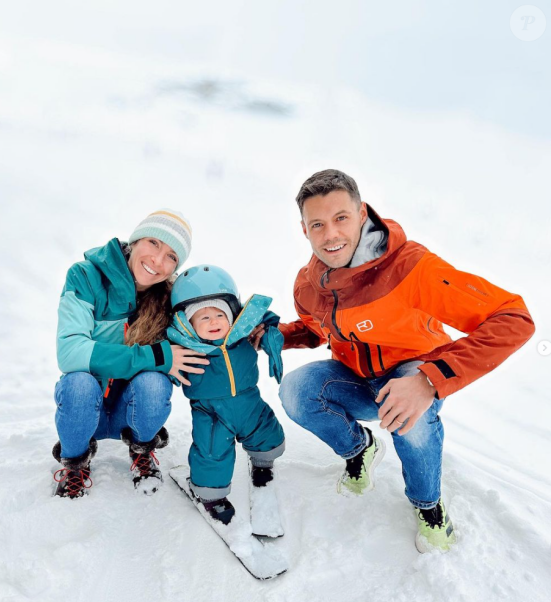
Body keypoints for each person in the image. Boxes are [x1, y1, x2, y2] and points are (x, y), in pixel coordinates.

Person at [277, 169, 535, 552]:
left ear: (362, 213)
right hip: (357, 378)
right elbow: (318, 330)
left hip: (414, 374)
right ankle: (359, 450)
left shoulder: (411, 268)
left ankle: (428, 506)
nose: (330, 234)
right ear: (304, 230)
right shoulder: (309, 283)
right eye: (318, 224)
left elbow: (513, 319)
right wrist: (275, 335)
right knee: (295, 390)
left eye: (341, 218)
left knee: (410, 422)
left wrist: (429, 381)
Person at [52, 209, 209, 498]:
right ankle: (75, 464)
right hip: (88, 405)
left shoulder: (169, 298)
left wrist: (254, 330)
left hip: (131, 410)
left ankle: (141, 451)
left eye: (172, 257)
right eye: (154, 243)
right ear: (135, 241)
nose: (158, 261)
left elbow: (211, 328)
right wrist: (155, 357)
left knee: (155, 382)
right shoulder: (85, 276)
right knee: (77, 384)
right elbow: (71, 352)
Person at [166, 265, 285, 529]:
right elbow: (162, 365)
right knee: (211, 452)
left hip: (248, 402)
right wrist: (167, 364)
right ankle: (212, 495)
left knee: (265, 432)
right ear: (188, 325)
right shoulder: (184, 349)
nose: (214, 322)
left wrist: (270, 339)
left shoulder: (243, 335)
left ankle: (263, 463)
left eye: (219, 314)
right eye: (203, 318)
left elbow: (268, 324)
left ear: (232, 315)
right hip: (210, 413)